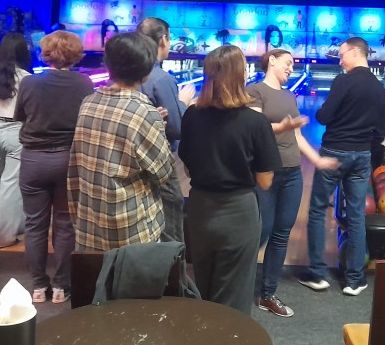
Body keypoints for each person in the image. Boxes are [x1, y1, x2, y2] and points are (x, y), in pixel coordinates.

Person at [178, 45, 280, 315]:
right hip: (238, 213)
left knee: (204, 285)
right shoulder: (255, 122)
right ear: (240, 75)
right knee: (233, 296)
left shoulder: (192, 115)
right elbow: (265, 181)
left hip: (200, 210)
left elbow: (188, 168)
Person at [248, 49, 339, 318]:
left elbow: (296, 135)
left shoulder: (289, 96)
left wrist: (317, 160)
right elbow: (255, 128)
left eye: (293, 65)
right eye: (287, 63)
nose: (291, 68)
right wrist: (282, 126)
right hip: (265, 172)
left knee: (281, 234)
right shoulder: (255, 91)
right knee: (261, 232)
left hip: (292, 173)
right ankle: (237, 283)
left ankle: (267, 294)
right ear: (271, 61)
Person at [299, 37, 385, 297]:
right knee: (356, 215)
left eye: (341, 55)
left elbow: (324, 116)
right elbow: (380, 133)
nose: (339, 61)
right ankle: (354, 280)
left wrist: (321, 113)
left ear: (355, 52)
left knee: (318, 210)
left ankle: (317, 274)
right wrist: (364, 147)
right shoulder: (380, 88)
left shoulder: (343, 81)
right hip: (361, 155)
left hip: (334, 153)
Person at [69, 33, 174, 251]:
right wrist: (157, 130)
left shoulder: (88, 103)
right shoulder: (145, 113)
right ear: (146, 72)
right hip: (131, 229)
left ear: (108, 65)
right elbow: (163, 173)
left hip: (90, 223)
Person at [15, 30, 94, 304]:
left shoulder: (29, 82)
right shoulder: (84, 83)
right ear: (75, 54)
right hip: (67, 160)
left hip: (33, 160)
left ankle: (38, 287)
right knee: (65, 224)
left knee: (34, 224)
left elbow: (21, 116)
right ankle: (61, 286)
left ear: (45, 53)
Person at [136, 17, 196, 243]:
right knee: (171, 220)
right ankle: (173, 266)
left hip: (131, 160)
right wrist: (183, 103)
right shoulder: (161, 79)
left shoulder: (131, 72)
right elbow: (177, 128)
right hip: (158, 160)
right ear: (163, 39)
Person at [0, 33, 32, 249]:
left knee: (3, 185)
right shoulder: (27, 78)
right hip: (16, 133)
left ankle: (16, 226)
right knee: (11, 188)